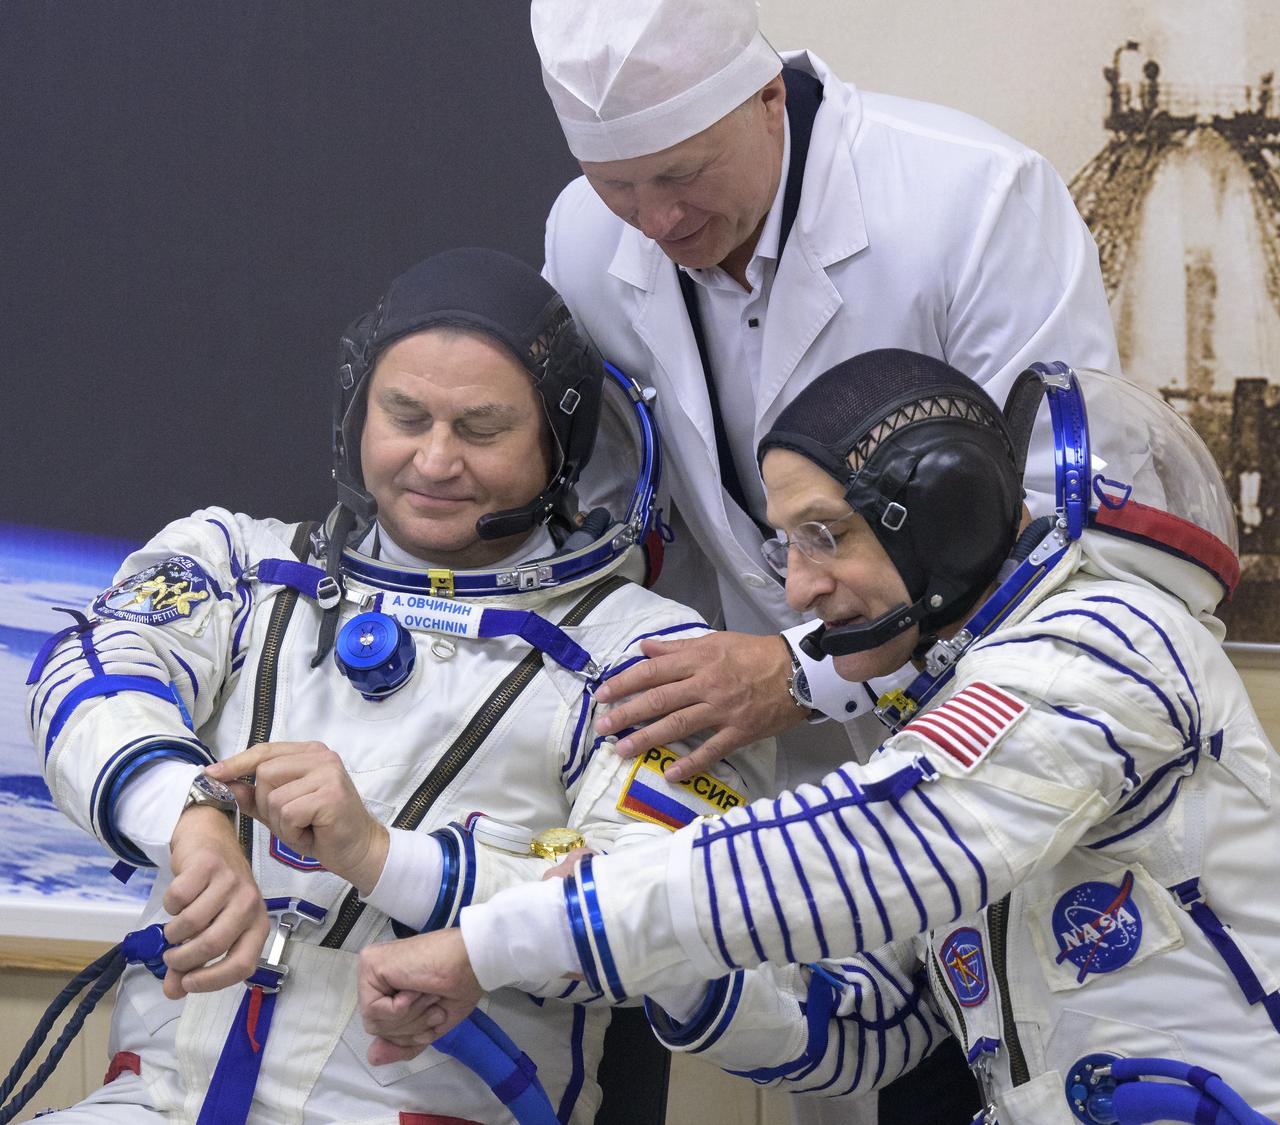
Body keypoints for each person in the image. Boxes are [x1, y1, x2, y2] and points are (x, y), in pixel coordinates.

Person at [353, 349, 1280, 1123]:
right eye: (786, 545)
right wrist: (665, 964)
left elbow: (875, 847)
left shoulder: (1107, 646)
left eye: (826, 536)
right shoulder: (946, 722)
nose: (798, 589)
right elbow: (864, 1029)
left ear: (949, 519)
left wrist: (501, 941)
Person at [23, 247, 771, 1124]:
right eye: (405, 416)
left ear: (557, 446)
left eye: (482, 429)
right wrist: (190, 820)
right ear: (356, 415)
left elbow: (660, 908)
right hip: (157, 1102)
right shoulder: (238, 563)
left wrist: (385, 859)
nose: (435, 459)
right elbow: (90, 676)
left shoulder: (646, 655)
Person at [530, 0, 1122, 793]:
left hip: (1006, 733)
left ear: (769, 97)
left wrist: (805, 674)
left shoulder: (978, 199)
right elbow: (618, 511)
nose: (656, 220)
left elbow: (1066, 518)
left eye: (683, 173)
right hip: (761, 763)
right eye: (615, 183)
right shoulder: (584, 236)